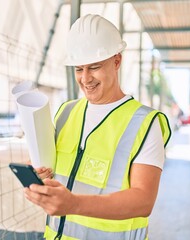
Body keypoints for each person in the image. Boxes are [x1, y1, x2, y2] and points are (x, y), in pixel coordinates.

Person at [24, 14, 171, 240]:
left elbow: (143, 201)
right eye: (78, 69)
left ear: (117, 61)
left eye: (94, 67)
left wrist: (74, 204)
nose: (85, 79)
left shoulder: (144, 123)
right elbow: (60, 174)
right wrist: (40, 176)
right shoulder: (66, 113)